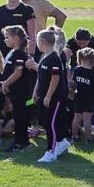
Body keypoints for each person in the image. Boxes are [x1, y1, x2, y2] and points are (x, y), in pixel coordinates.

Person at [34, 28, 71, 163]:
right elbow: (41, 76)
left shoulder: (54, 58)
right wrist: (36, 92)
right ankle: (61, 142)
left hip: (54, 99)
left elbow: (55, 79)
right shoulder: (45, 57)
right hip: (43, 97)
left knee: (51, 124)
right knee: (44, 122)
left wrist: (48, 96)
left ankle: (51, 151)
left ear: (42, 42)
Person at [0, 25, 33, 152]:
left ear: (16, 38)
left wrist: (5, 84)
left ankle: (21, 143)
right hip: (14, 91)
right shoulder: (13, 51)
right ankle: (20, 141)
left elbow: (18, 72)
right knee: (17, 116)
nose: (5, 40)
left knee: (20, 117)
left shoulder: (19, 53)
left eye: (7, 37)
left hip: (20, 91)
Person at [71, 48, 94, 143]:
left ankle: (74, 136)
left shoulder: (77, 70)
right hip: (89, 99)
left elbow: (73, 83)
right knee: (87, 119)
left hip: (78, 97)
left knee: (76, 118)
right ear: (93, 60)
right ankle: (89, 138)